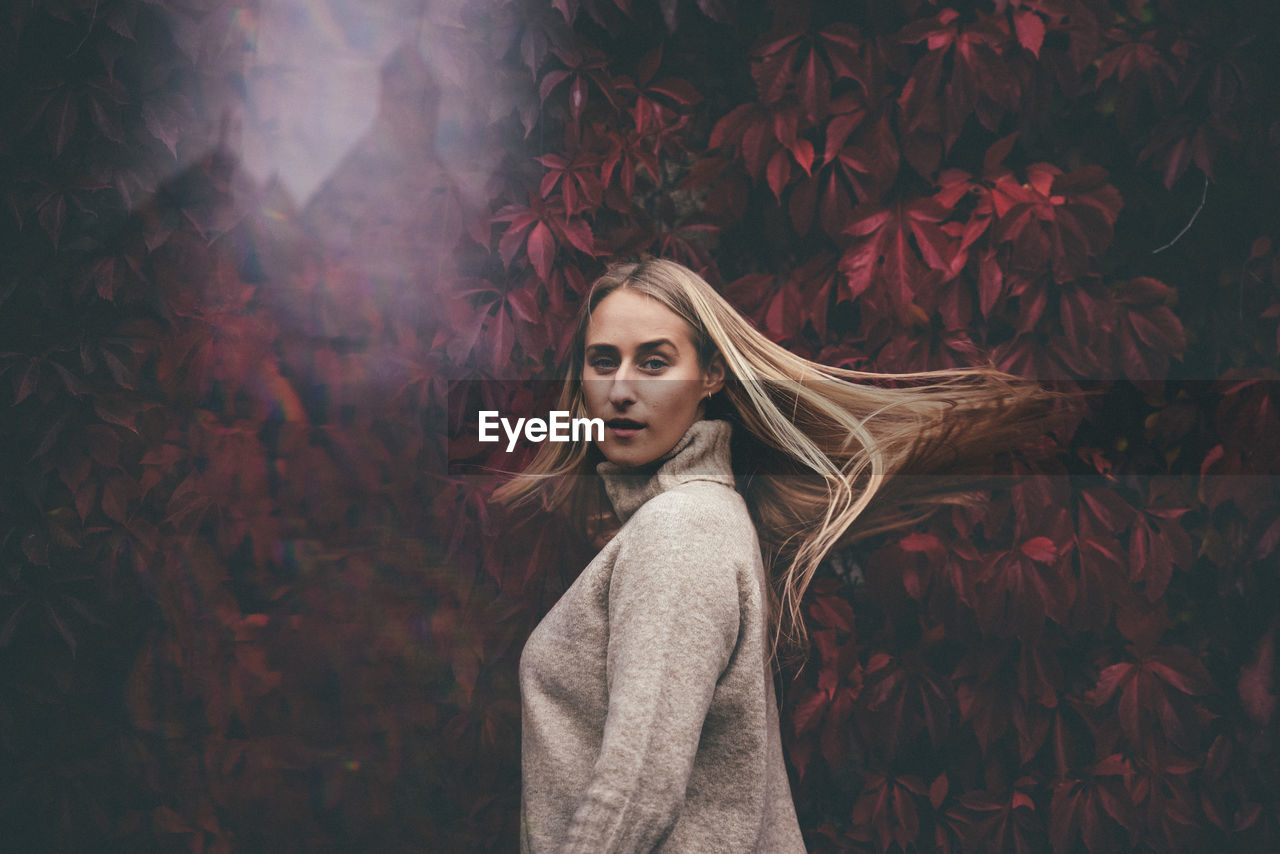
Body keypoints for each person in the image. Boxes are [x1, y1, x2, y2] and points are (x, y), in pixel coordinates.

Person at [493, 259, 1067, 852]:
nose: (620, 390)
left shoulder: (680, 529)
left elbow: (639, 787)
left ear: (712, 375)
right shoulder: (693, 518)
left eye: (655, 363)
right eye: (603, 361)